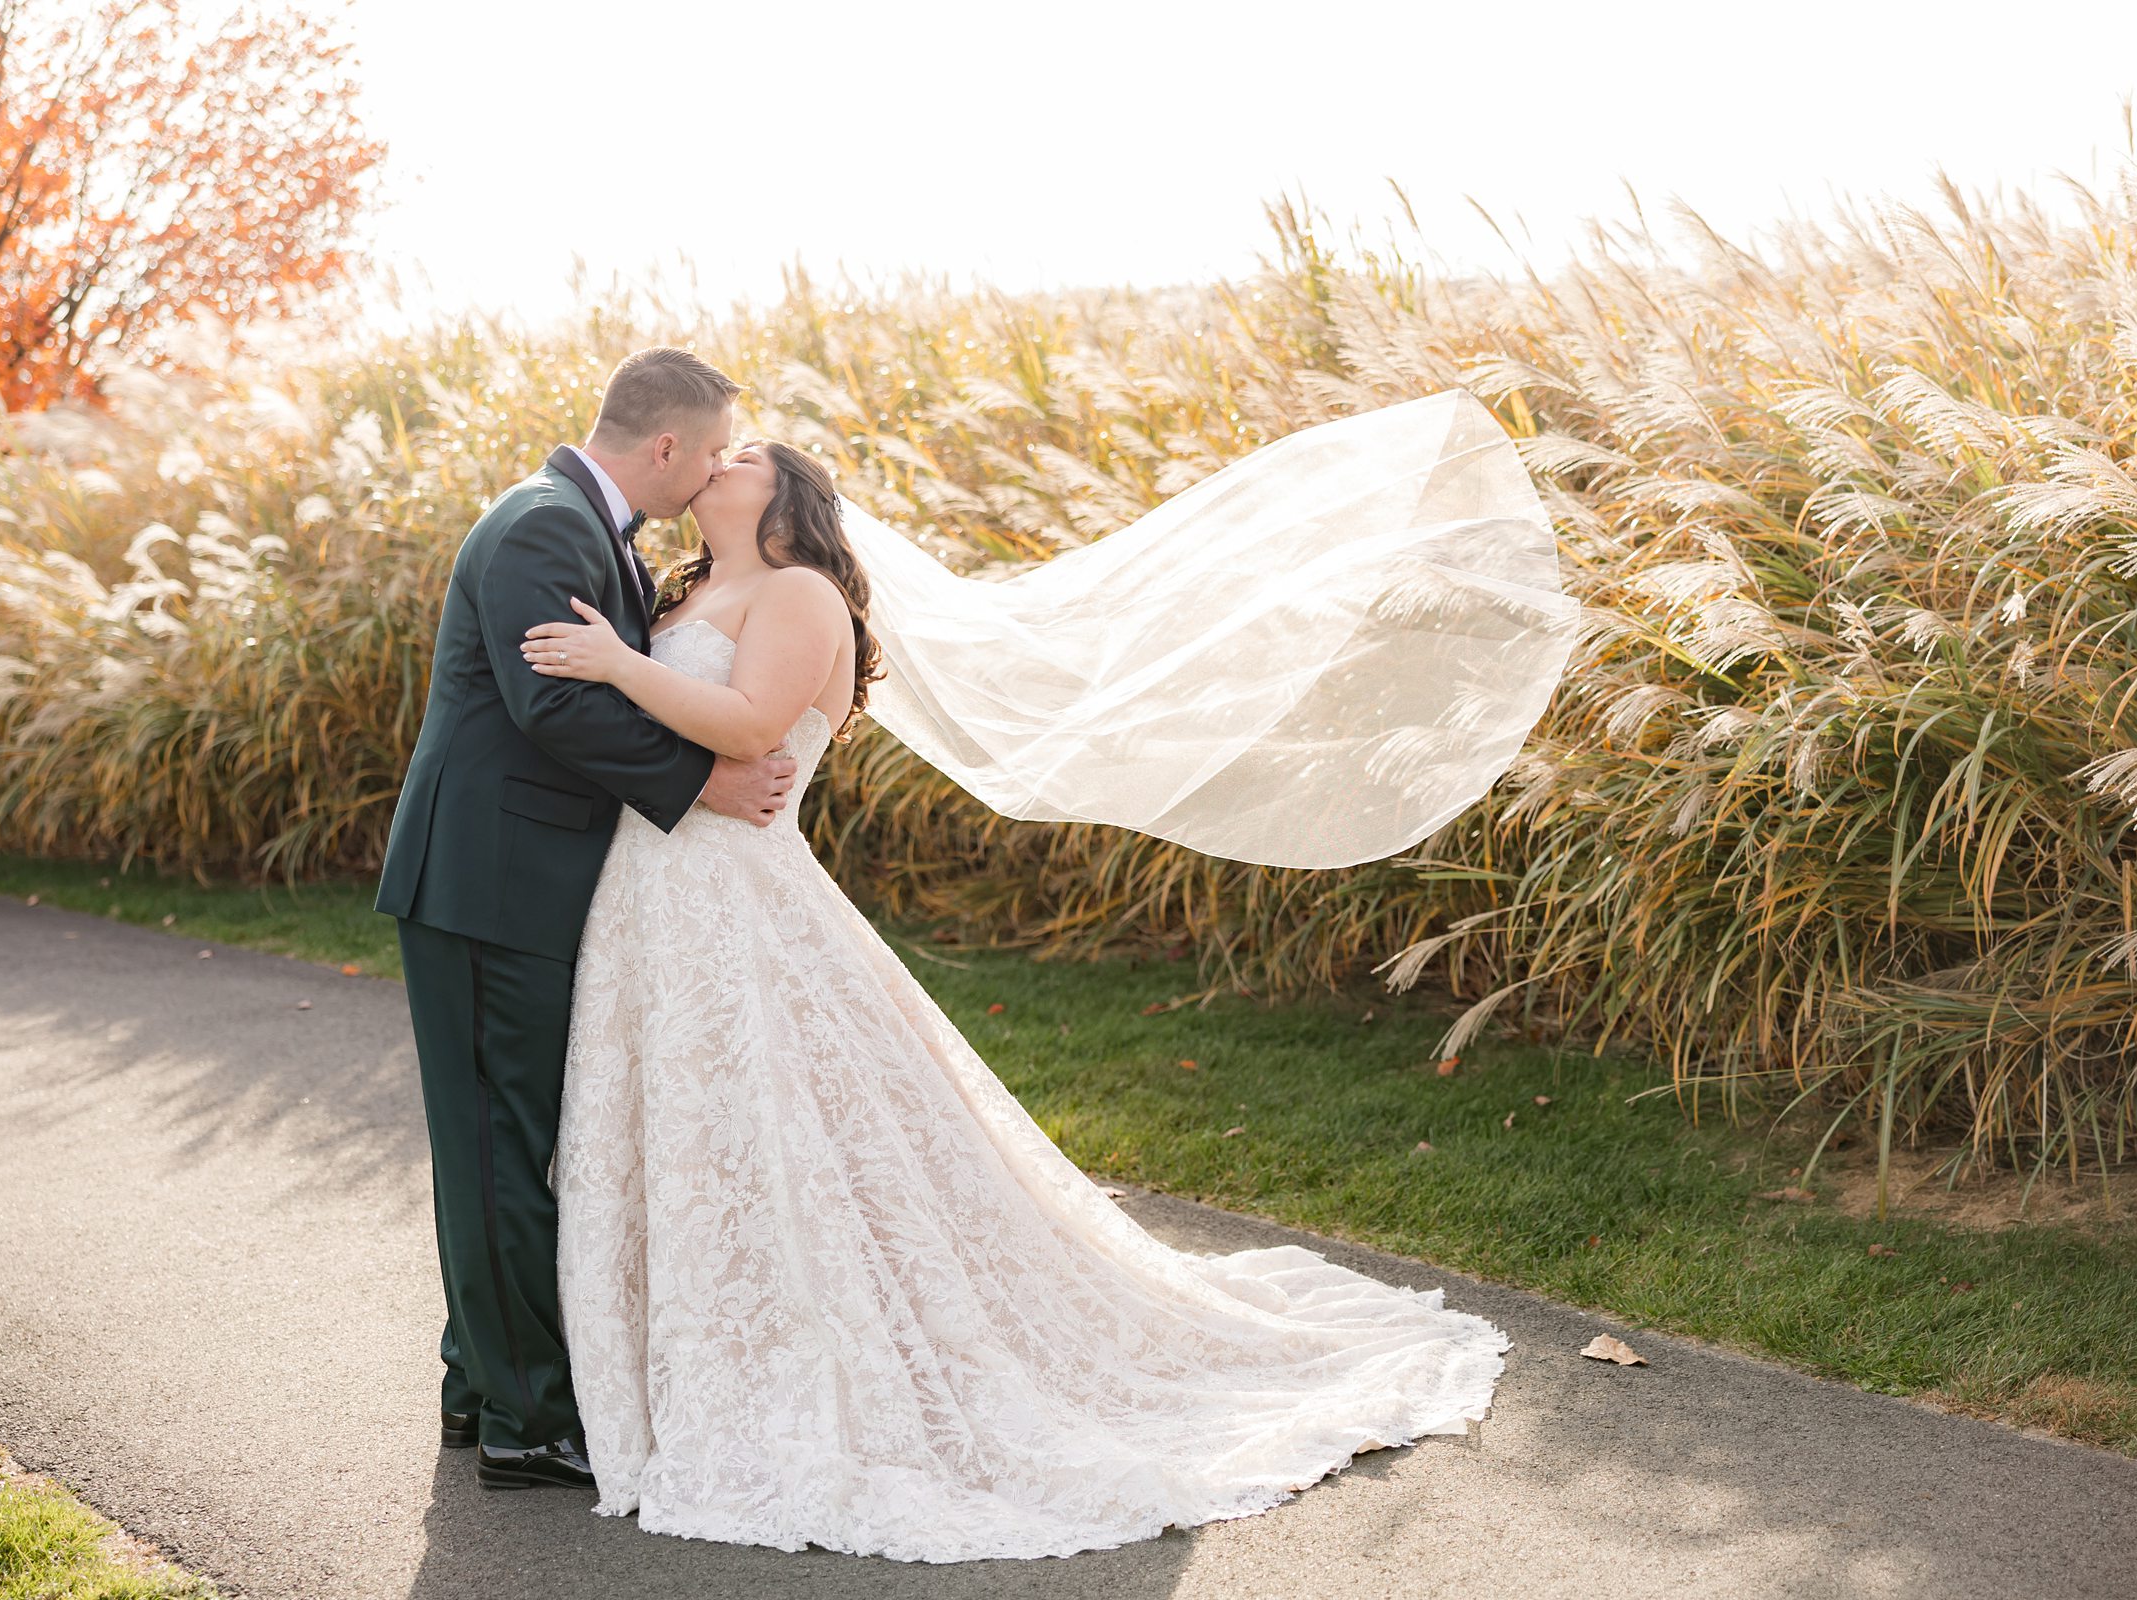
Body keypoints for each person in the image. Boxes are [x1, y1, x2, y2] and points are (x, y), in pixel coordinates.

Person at [516, 436, 1517, 1563]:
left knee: (781, 1127)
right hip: (648, 899)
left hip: (737, 897)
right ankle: (677, 1371)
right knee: (699, 1134)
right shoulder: (688, 587)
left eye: (743, 450)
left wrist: (614, 664)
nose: (717, 458)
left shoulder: (800, 593)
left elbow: (751, 730)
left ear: (786, 494)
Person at [373, 347, 796, 1489]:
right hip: (483, 884)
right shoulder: (544, 526)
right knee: (500, 1146)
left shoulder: (583, 529)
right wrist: (702, 783)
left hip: (516, 880)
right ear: (665, 447)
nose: (712, 474)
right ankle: (523, 1420)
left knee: (507, 1137)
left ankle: (478, 1384)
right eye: (709, 452)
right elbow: (550, 699)